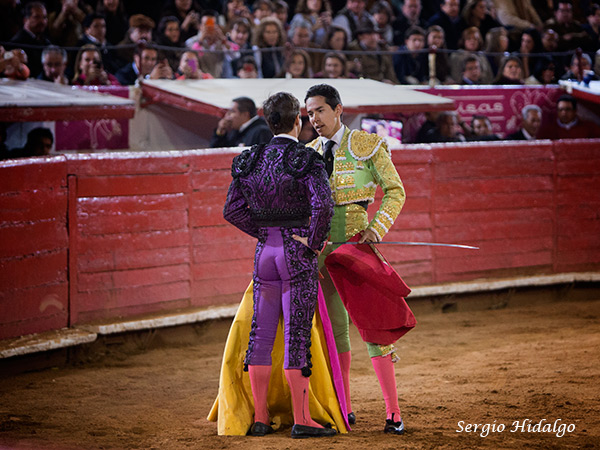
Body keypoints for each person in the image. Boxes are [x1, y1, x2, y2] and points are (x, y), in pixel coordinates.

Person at [222, 91, 336, 439]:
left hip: (265, 255)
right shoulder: (305, 159)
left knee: (260, 334)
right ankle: (302, 420)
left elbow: (232, 210)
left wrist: (264, 233)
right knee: (295, 335)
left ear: (268, 121)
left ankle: (259, 418)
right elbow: (324, 208)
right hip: (296, 254)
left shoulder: (249, 159)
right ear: (297, 120)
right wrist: (312, 242)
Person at [304, 83, 407, 434]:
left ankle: (393, 411)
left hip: (356, 249)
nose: (314, 118)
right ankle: (343, 407)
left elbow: (395, 190)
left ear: (337, 109)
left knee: (375, 330)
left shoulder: (366, 144)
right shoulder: (309, 154)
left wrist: (377, 228)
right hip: (322, 255)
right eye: (309, 112)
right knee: (335, 332)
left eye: (319, 110)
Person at [8, 2, 51, 78]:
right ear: (25, 20)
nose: (42, 21)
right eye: (37, 17)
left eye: (44, 17)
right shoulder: (17, 42)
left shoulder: (46, 42)